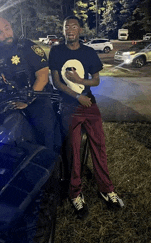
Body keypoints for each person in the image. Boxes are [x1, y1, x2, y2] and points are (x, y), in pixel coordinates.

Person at [49, 15, 124, 219]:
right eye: (66, 27)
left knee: (98, 146)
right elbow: (56, 82)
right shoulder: (56, 51)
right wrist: (76, 95)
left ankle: (106, 189)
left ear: (80, 30)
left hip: (89, 105)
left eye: (74, 26)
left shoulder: (89, 52)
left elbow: (96, 81)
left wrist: (80, 80)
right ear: (63, 30)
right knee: (73, 150)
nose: (70, 29)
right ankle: (75, 193)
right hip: (69, 106)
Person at [0, 16, 61, 151]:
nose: (6, 35)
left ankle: (49, 160)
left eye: (7, 29)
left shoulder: (27, 46)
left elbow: (42, 77)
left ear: (11, 27)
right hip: (9, 100)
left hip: (37, 96)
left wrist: (27, 101)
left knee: (44, 131)